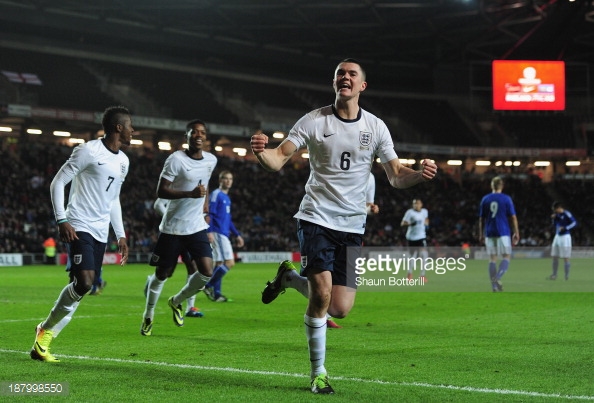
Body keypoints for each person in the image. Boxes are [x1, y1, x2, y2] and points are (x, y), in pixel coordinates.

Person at [250, 58, 437, 394]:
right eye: (340, 74)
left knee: (340, 307)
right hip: (316, 217)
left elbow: (395, 176)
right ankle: (318, 374)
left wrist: (418, 176)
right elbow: (278, 158)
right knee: (321, 293)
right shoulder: (313, 120)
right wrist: (261, 153)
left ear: (362, 86)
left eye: (352, 74)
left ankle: (289, 279)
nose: (345, 77)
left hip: (352, 227)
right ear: (334, 83)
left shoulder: (376, 127)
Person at [31, 105, 133, 362]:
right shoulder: (88, 150)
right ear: (118, 127)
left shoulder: (123, 161)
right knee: (85, 282)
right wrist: (62, 219)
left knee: (80, 287)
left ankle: (44, 336)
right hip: (79, 224)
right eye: (130, 125)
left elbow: (113, 200)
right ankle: (45, 330)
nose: (134, 130)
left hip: (100, 232)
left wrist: (120, 234)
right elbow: (58, 182)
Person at [140, 119, 217, 336]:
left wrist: (205, 210)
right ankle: (148, 315)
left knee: (206, 271)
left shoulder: (211, 160)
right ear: (187, 136)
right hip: (173, 228)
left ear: (206, 137)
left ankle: (177, 300)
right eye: (194, 133)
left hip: (196, 226)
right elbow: (161, 191)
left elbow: (206, 185)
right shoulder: (176, 159)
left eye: (202, 132)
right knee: (163, 274)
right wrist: (190, 194)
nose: (198, 136)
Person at [144, 198, 204, 317]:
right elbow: (158, 205)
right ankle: (152, 279)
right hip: (172, 232)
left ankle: (190, 307)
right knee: (166, 272)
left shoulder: (198, 184)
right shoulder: (175, 185)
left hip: (189, 232)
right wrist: (172, 217)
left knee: (193, 267)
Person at [203, 170, 244, 302]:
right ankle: (208, 286)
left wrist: (237, 235)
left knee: (219, 263)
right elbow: (209, 214)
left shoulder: (226, 198)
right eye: (225, 178)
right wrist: (209, 231)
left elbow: (228, 219)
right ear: (220, 180)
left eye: (230, 179)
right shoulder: (216, 194)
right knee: (229, 262)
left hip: (224, 232)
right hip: (218, 232)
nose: (228, 181)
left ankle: (217, 294)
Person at [478, 176, 520, 292]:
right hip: (503, 231)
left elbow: (481, 219)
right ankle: (497, 278)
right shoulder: (506, 199)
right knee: (506, 256)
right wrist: (516, 232)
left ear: (492, 186)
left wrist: (481, 234)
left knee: (492, 259)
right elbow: (513, 217)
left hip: (490, 232)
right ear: (502, 186)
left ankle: (494, 287)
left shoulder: (485, 199)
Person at [400, 198, 429, 281]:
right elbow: (402, 223)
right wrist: (411, 223)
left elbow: (426, 219)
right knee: (412, 257)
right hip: (411, 238)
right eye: (414, 203)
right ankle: (409, 273)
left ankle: (422, 275)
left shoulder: (424, 211)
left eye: (418, 203)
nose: (416, 205)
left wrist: (427, 224)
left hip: (421, 237)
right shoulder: (410, 212)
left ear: (421, 204)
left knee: (424, 255)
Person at [548, 201, 577, 280]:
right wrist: (553, 219)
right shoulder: (557, 215)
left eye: (555, 209)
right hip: (557, 236)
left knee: (566, 257)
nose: (554, 211)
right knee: (554, 256)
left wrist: (565, 228)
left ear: (559, 208)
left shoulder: (567, 214)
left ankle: (566, 276)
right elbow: (554, 224)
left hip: (565, 237)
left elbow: (574, 223)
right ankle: (554, 275)